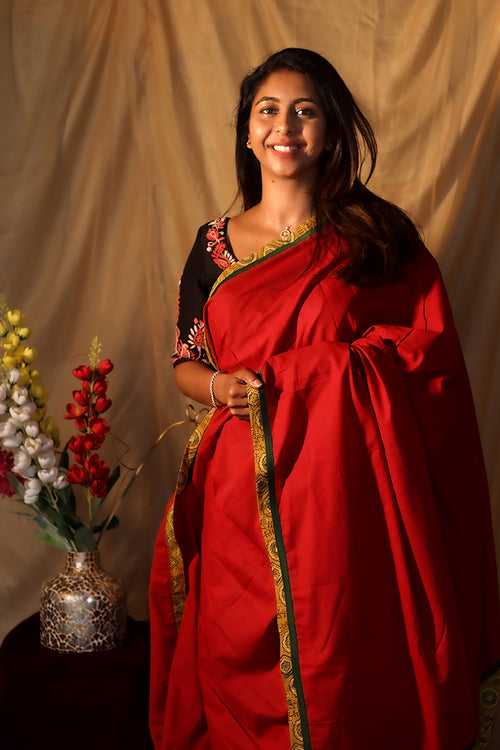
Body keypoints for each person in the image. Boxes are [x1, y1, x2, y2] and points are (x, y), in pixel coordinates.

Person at [149, 48, 500, 750]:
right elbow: (188, 362)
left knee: (338, 634)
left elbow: (425, 356)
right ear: (248, 132)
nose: (286, 125)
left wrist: (314, 375)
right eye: (268, 111)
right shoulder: (213, 248)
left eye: (305, 110)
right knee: (233, 635)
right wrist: (220, 386)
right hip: (238, 484)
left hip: (343, 491)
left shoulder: (376, 239)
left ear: (332, 131)